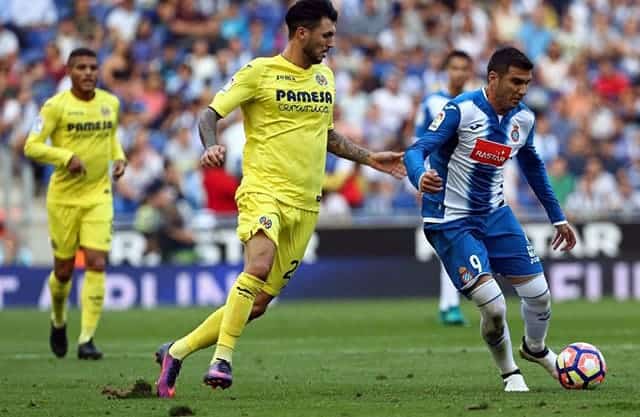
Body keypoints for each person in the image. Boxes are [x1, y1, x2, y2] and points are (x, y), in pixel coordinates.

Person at [155, 0, 405, 397]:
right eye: (326, 35)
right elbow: (209, 115)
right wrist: (210, 146)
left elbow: (327, 135)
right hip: (263, 190)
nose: (331, 44)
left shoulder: (325, 79)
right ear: (301, 33)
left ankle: (177, 350)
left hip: (306, 203)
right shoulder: (260, 71)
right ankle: (222, 358)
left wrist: (370, 157)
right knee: (257, 266)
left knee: (257, 305)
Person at [404, 47, 577, 392]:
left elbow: (533, 166)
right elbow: (415, 150)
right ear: (493, 78)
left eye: (527, 83)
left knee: (539, 296)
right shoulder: (461, 110)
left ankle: (535, 349)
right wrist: (420, 176)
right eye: (516, 82)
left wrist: (558, 217)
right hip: (450, 221)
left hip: (496, 215)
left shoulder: (523, 119)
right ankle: (510, 372)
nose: (522, 90)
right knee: (495, 307)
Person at [24, 48, 127, 360]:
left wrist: (119, 157)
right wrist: (65, 156)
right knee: (64, 270)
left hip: (98, 195)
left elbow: (111, 139)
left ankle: (87, 339)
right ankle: (58, 321)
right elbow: (31, 146)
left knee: (96, 262)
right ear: (68, 71)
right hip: (64, 199)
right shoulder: (55, 107)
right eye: (81, 67)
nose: (88, 73)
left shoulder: (110, 104)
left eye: (93, 67)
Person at [414, 50, 473, 326]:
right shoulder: (432, 102)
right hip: (438, 182)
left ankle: (452, 303)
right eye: (455, 68)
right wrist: (419, 180)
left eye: (464, 68)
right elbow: (419, 144)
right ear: (447, 70)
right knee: (450, 243)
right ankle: (450, 306)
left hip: (468, 185)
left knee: (460, 244)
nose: (459, 73)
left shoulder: (475, 103)